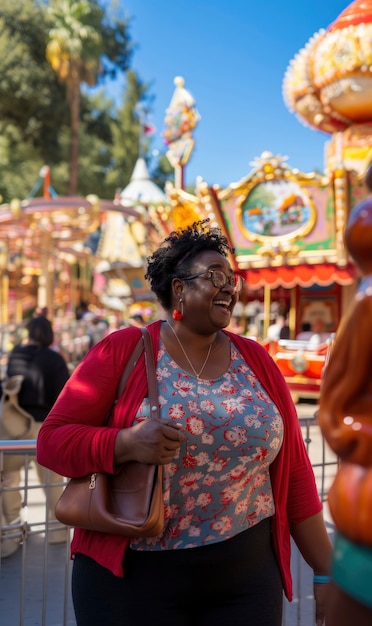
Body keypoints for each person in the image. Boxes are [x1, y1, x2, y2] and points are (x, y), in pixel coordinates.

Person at [37, 222, 332, 626]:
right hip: (133, 584)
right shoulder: (123, 350)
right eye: (215, 276)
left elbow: (295, 474)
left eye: (232, 278)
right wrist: (123, 443)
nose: (229, 287)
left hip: (245, 583)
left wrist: (327, 571)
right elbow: (52, 442)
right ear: (179, 288)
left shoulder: (257, 361)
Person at [2, 315, 70, 555]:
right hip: (46, 428)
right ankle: (57, 532)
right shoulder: (54, 360)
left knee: (9, 479)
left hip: (16, 427)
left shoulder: (16, 354)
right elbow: (64, 395)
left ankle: (12, 531)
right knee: (52, 481)